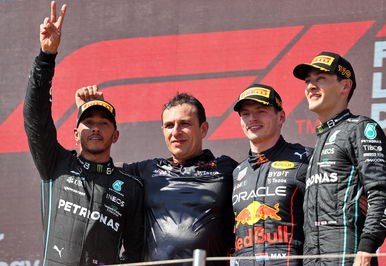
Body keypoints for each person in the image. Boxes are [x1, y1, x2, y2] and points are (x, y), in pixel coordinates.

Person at [23, 2, 144, 265]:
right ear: (76, 134)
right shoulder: (56, 164)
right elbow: (35, 117)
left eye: (104, 123)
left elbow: (136, 254)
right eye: (88, 122)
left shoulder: (131, 187)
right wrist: (46, 57)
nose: (96, 128)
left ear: (116, 135)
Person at [75, 89, 237, 265]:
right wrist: (93, 113)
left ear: (203, 129)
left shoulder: (227, 169)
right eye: (169, 125)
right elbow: (96, 168)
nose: (176, 132)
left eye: (185, 124)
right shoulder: (146, 171)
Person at [293, 51, 386, 266]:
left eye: (320, 79)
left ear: (345, 86)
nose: (311, 86)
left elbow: (384, 194)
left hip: (348, 258)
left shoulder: (360, 128)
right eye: (308, 81)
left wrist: (367, 247)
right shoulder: (315, 149)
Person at [230, 84, 312, 265]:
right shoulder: (237, 172)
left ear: (281, 117)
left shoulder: (306, 159)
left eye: (261, 111)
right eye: (245, 113)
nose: (252, 118)